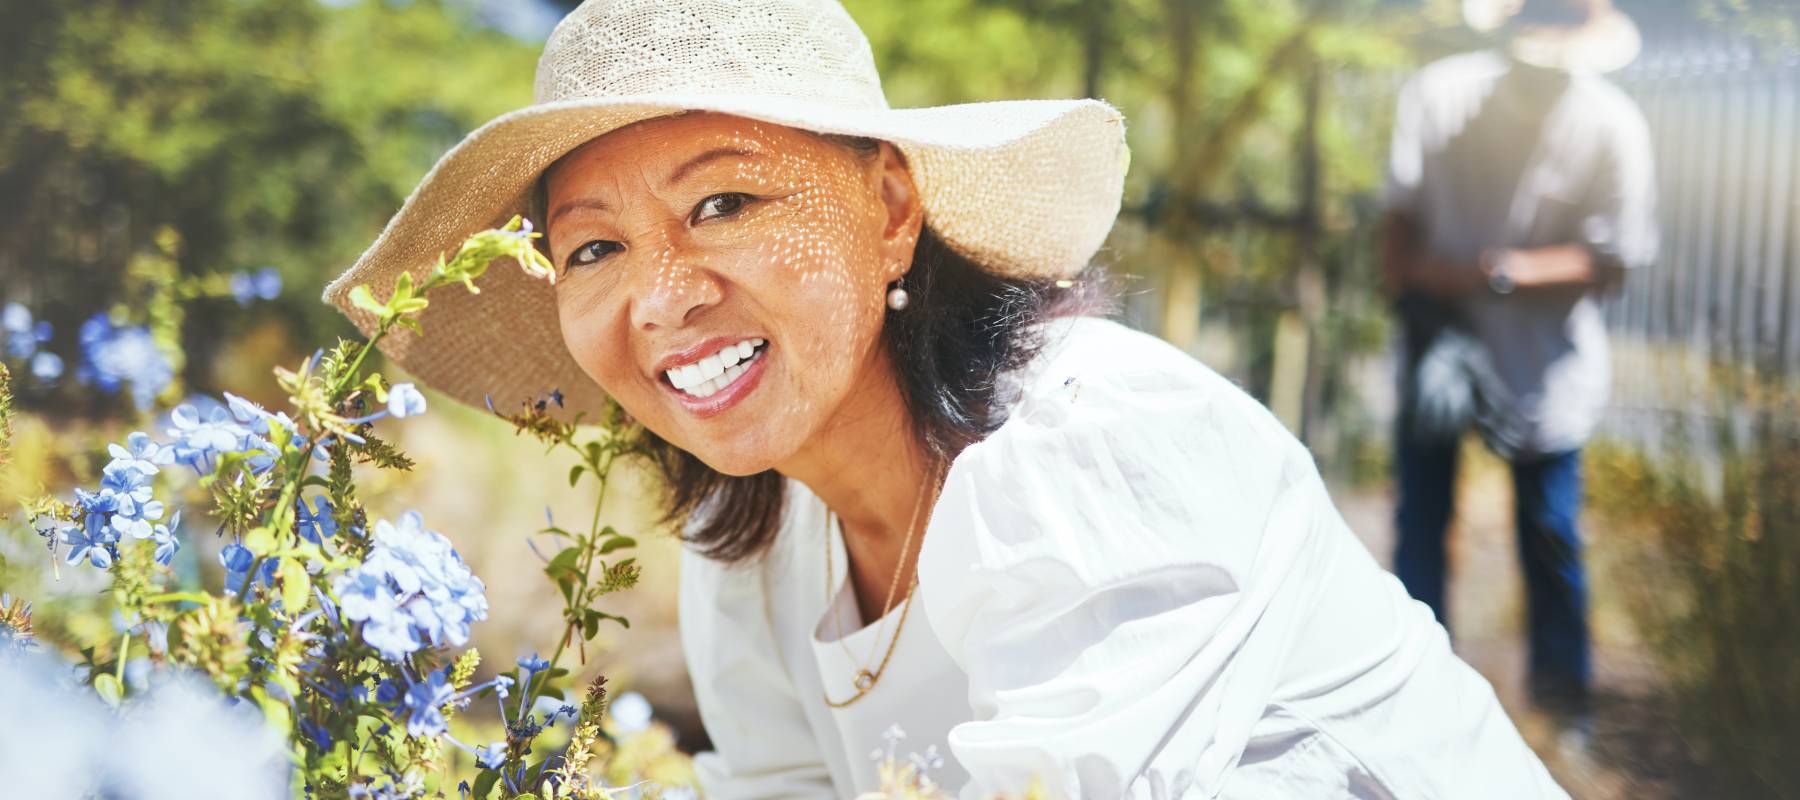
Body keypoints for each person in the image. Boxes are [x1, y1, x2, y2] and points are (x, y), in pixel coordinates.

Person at [328, 0, 1566, 796]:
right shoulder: (752, 545)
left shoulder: (1095, 441)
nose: (659, 297)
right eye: (594, 247)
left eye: (723, 203)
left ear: (890, 208)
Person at [1380, 0, 1658, 719]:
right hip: (1439, 344)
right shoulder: (1441, 96)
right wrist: (1414, 288)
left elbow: (1611, 260)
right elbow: (1397, 217)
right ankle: (1414, 698)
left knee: (1550, 531)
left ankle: (1562, 706)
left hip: (1545, 361)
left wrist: (1492, 274)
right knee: (1421, 523)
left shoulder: (1612, 125)